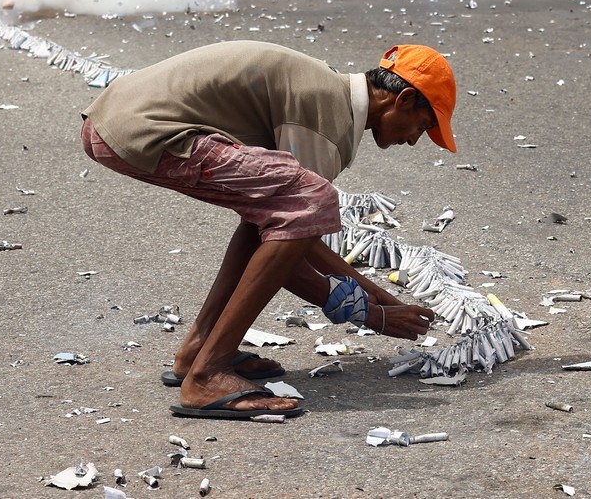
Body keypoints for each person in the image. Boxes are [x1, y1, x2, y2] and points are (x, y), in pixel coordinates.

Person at [80, 42, 455, 419]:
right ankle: (208, 375)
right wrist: (371, 314)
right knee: (309, 198)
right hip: (143, 130)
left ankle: (199, 350)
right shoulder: (327, 119)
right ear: (403, 99)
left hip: (118, 119)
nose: (413, 139)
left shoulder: (330, 96)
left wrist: (382, 300)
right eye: (422, 127)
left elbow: (286, 231)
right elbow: (295, 235)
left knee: (279, 209)